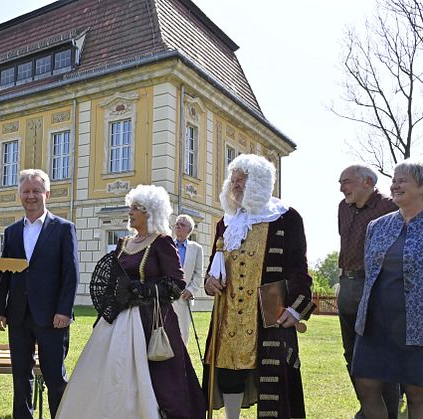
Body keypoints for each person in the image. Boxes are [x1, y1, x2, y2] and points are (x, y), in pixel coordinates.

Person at [57, 184, 205, 419]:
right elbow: (114, 277)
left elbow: (176, 284)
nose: (131, 212)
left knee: (162, 377)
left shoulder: (162, 241)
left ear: (149, 212)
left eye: (136, 208)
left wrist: (142, 289)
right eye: (131, 206)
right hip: (118, 319)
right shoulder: (124, 243)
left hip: (152, 321)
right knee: (109, 371)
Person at [203, 154, 315, 419]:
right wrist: (209, 281)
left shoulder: (286, 218)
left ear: (260, 182)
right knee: (230, 371)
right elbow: (214, 264)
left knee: (273, 377)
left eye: (242, 180)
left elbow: (298, 268)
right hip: (229, 313)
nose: (236, 185)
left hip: (269, 313)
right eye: (233, 180)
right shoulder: (225, 222)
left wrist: (297, 308)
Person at [0, 169, 80, 419]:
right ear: (20, 195)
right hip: (18, 315)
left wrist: (64, 310)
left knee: (55, 376)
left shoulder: (64, 229)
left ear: (47, 194)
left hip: (53, 316)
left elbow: (70, 273)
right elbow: (5, 273)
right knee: (21, 375)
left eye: (36, 191)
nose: (31, 196)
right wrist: (0, 308)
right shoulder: (11, 232)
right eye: (26, 191)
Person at [353, 158, 423, 419]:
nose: (395, 186)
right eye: (393, 181)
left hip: (417, 325)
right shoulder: (377, 226)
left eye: (403, 180)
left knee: (417, 393)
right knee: (367, 386)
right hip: (375, 322)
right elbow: (369, 274)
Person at [338, 163, 398, 419]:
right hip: (348, 285)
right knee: (352, 354)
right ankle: (369, 408)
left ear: (367, 182)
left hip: (376, 286)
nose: (342, 188)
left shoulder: (389, 207)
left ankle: (388, 413)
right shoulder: (343, 207)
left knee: (379, 354)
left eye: (346, 181)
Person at [172, 214, 203, 345]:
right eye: (177, 224)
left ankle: (181, 363)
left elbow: (198, 273)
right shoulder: (167, 245)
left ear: (189, 230)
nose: (178, 226)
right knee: (165, 334)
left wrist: (191, 290)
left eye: (182, 224)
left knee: (183, 334)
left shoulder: (196, 248)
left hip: (184, 299)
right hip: (166, 297)